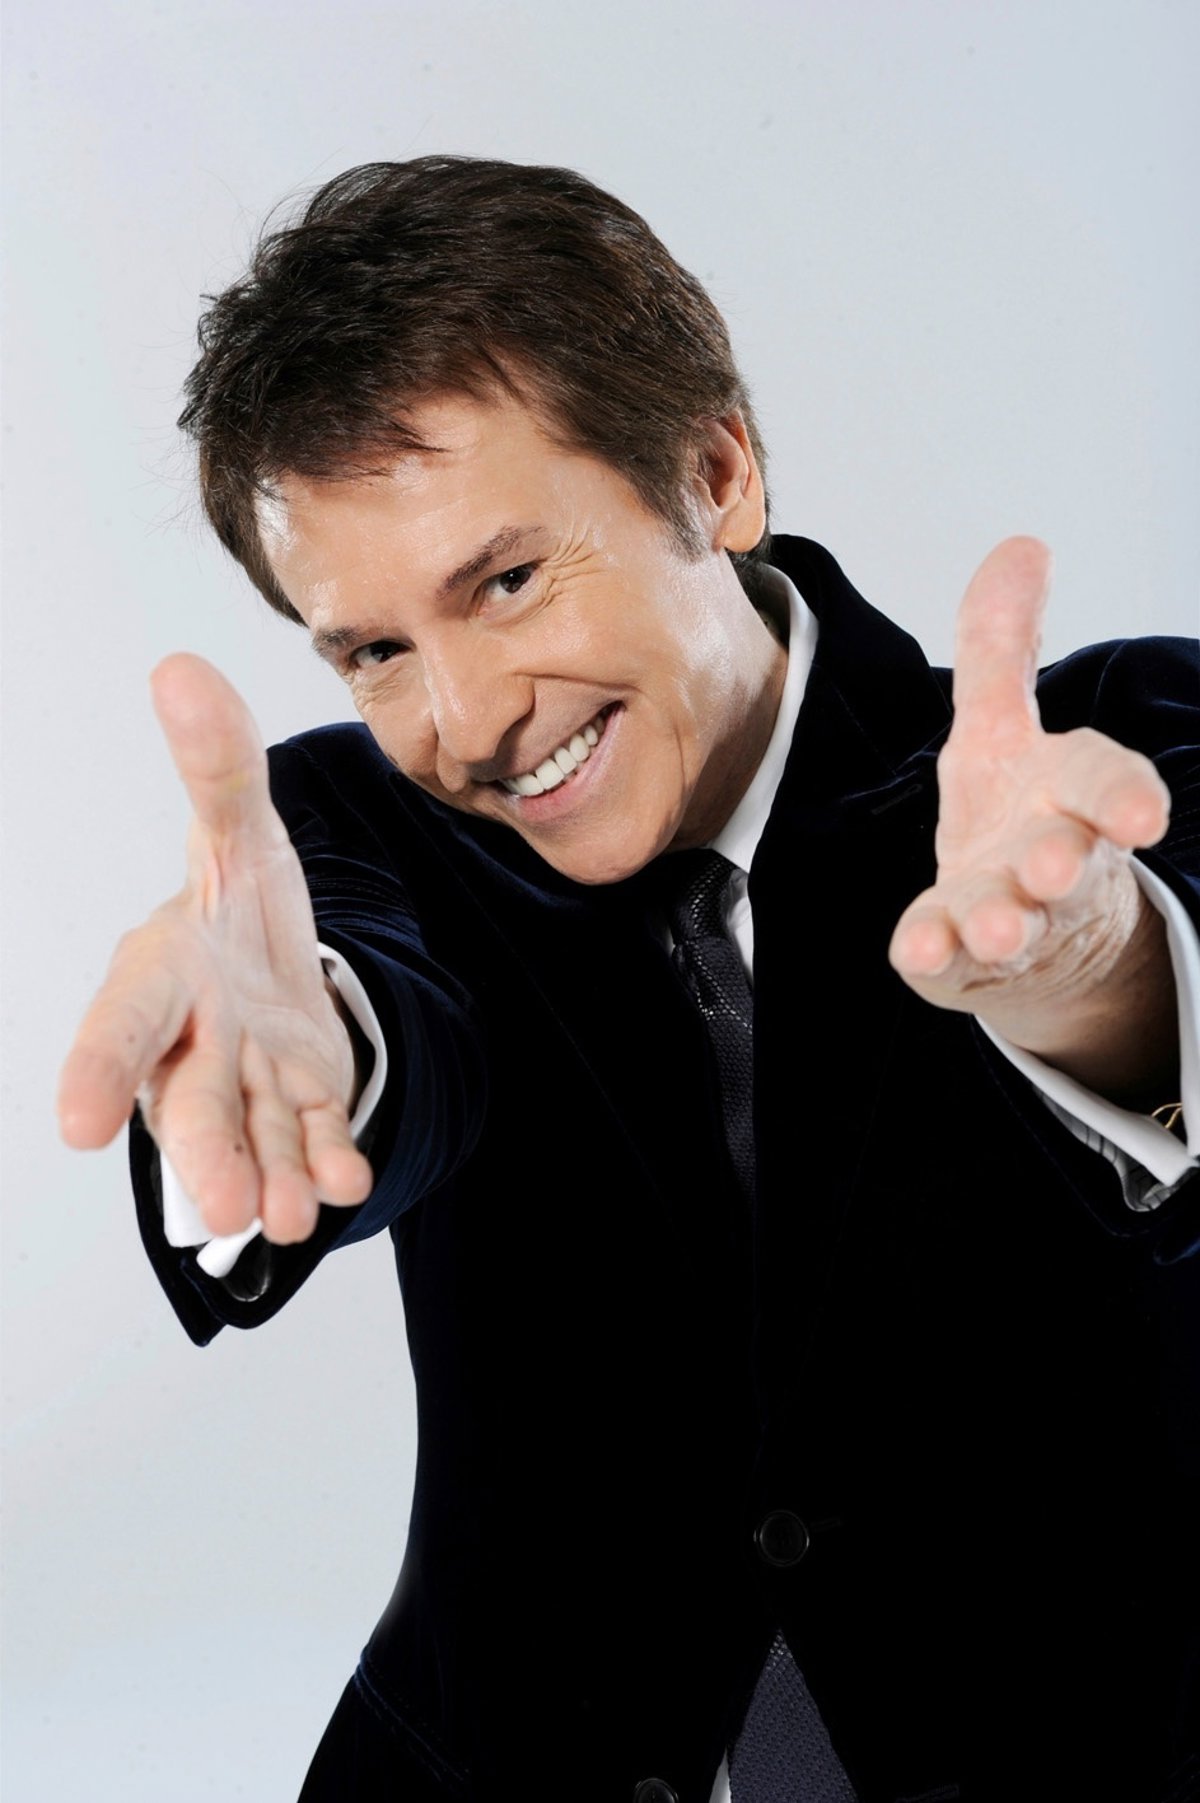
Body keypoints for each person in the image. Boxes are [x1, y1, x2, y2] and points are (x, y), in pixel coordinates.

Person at [58, 157, 1199, 1802]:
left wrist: (1102, 982)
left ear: (715, 474)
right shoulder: (349, 835)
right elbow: (384, 1018)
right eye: (375, 650)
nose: (464, 722)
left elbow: (1175, 995)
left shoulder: (1107, 753)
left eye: (508, 580)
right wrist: (314, 1061)